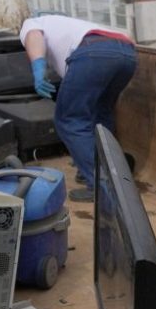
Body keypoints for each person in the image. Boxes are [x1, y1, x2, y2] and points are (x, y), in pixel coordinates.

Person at [20, 14, 137, 202]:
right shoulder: (71, 23)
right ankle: (110, 172)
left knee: (69, 120)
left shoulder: (32, 22)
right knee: (100, 114)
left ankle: (101, 186)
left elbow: (33, 35)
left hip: (93, 52)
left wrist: (38, 70)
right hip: (127, 53)